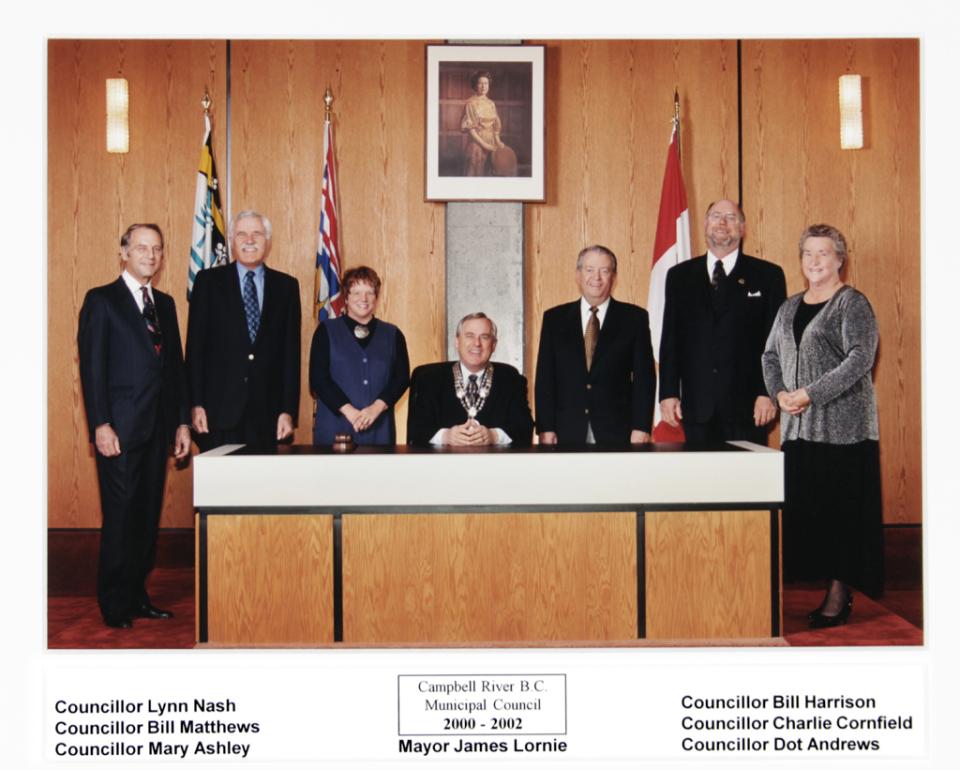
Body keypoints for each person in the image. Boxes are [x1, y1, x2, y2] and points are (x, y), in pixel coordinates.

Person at [762, 224, 883, 628]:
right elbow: (770, 357)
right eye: (807, 254)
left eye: (823, 253)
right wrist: (780, 394)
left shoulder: (852, 304)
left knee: (841, 514)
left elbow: (860, 358)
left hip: (844, 432)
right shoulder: (789, 307)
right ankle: (820, 585)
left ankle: (839, 593)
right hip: (798, 431)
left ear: (839, 259)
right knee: (810, 512)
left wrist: (810, 393)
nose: (814, 261)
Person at [77, 223, 192, 629]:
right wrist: (101, 424)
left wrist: (181, 423)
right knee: (121, 516)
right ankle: (113, 601)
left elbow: (176, 369)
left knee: (146, 518)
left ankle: (138, 595)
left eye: (157, 249)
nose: (150, 255)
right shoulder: (101, 301)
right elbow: (92, 370)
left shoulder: (165, 303)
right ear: (123, 252)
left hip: (158, 430)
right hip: (119, 433)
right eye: (141, 247)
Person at [659, 199, 786, 444]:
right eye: (716, 216)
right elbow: (671, 339)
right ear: (706, 224)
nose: (722, 223)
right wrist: (668, 392)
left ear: (742, 228)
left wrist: (767, 392)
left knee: (746, 481)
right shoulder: (679, 277)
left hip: (748, 407)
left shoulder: (768, 276)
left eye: (731, 217)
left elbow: (776, 343)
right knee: (700, 481)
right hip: (696, 406)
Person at [186, 210, 301, 450]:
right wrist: (195, 404)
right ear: (231, 240)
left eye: (257, 234)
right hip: (217, 415)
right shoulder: (207, 283)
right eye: (242, 234)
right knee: (218, 487)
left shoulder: (286, 287)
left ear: (267, 241)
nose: (249, 240)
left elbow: (291, 355)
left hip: (267, 417)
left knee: (262, 488)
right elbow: (195, 349)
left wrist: (288, 410)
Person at [535, 245, 656, 445]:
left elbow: (645, 378)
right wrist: (545, 428)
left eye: (604, 271)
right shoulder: (554, 319)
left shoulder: (634, 318)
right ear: (578, 275)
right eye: (589, 270)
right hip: (566, 430)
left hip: (619, 430)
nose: (596, 277)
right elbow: (545, 378)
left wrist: (641, 426)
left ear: (614, 277)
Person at [310, 266, 410, 445]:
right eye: (356, 292)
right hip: (334, 429)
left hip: (379, 430)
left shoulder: (393, 334)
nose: (363, 298)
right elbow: (318, 378)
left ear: (376, 298)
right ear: (346, 298)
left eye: (369, 292)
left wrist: (375, 409)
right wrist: (352, 413)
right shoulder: (326, 331)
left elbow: (401, 378)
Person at [407, 313, 533, 447]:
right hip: (443, 463)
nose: (477, 343)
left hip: (494, 463)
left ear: (494, 344)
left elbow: (524, 429)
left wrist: (493, 436)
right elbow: (416, 431)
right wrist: (446, 436)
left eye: (484, 337)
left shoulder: (511, 380)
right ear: (457, 341)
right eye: (469, 336)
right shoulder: (430, 379)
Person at [461, 70, 507, 177]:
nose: (483, 86)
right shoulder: (471, 103)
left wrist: (498, 141)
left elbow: (495, 127)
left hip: (491, 144)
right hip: (477, 145)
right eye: (480, 83)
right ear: (475, 85)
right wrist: (485, 145)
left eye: (486, 83)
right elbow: (471, 130)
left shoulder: (491, 104)